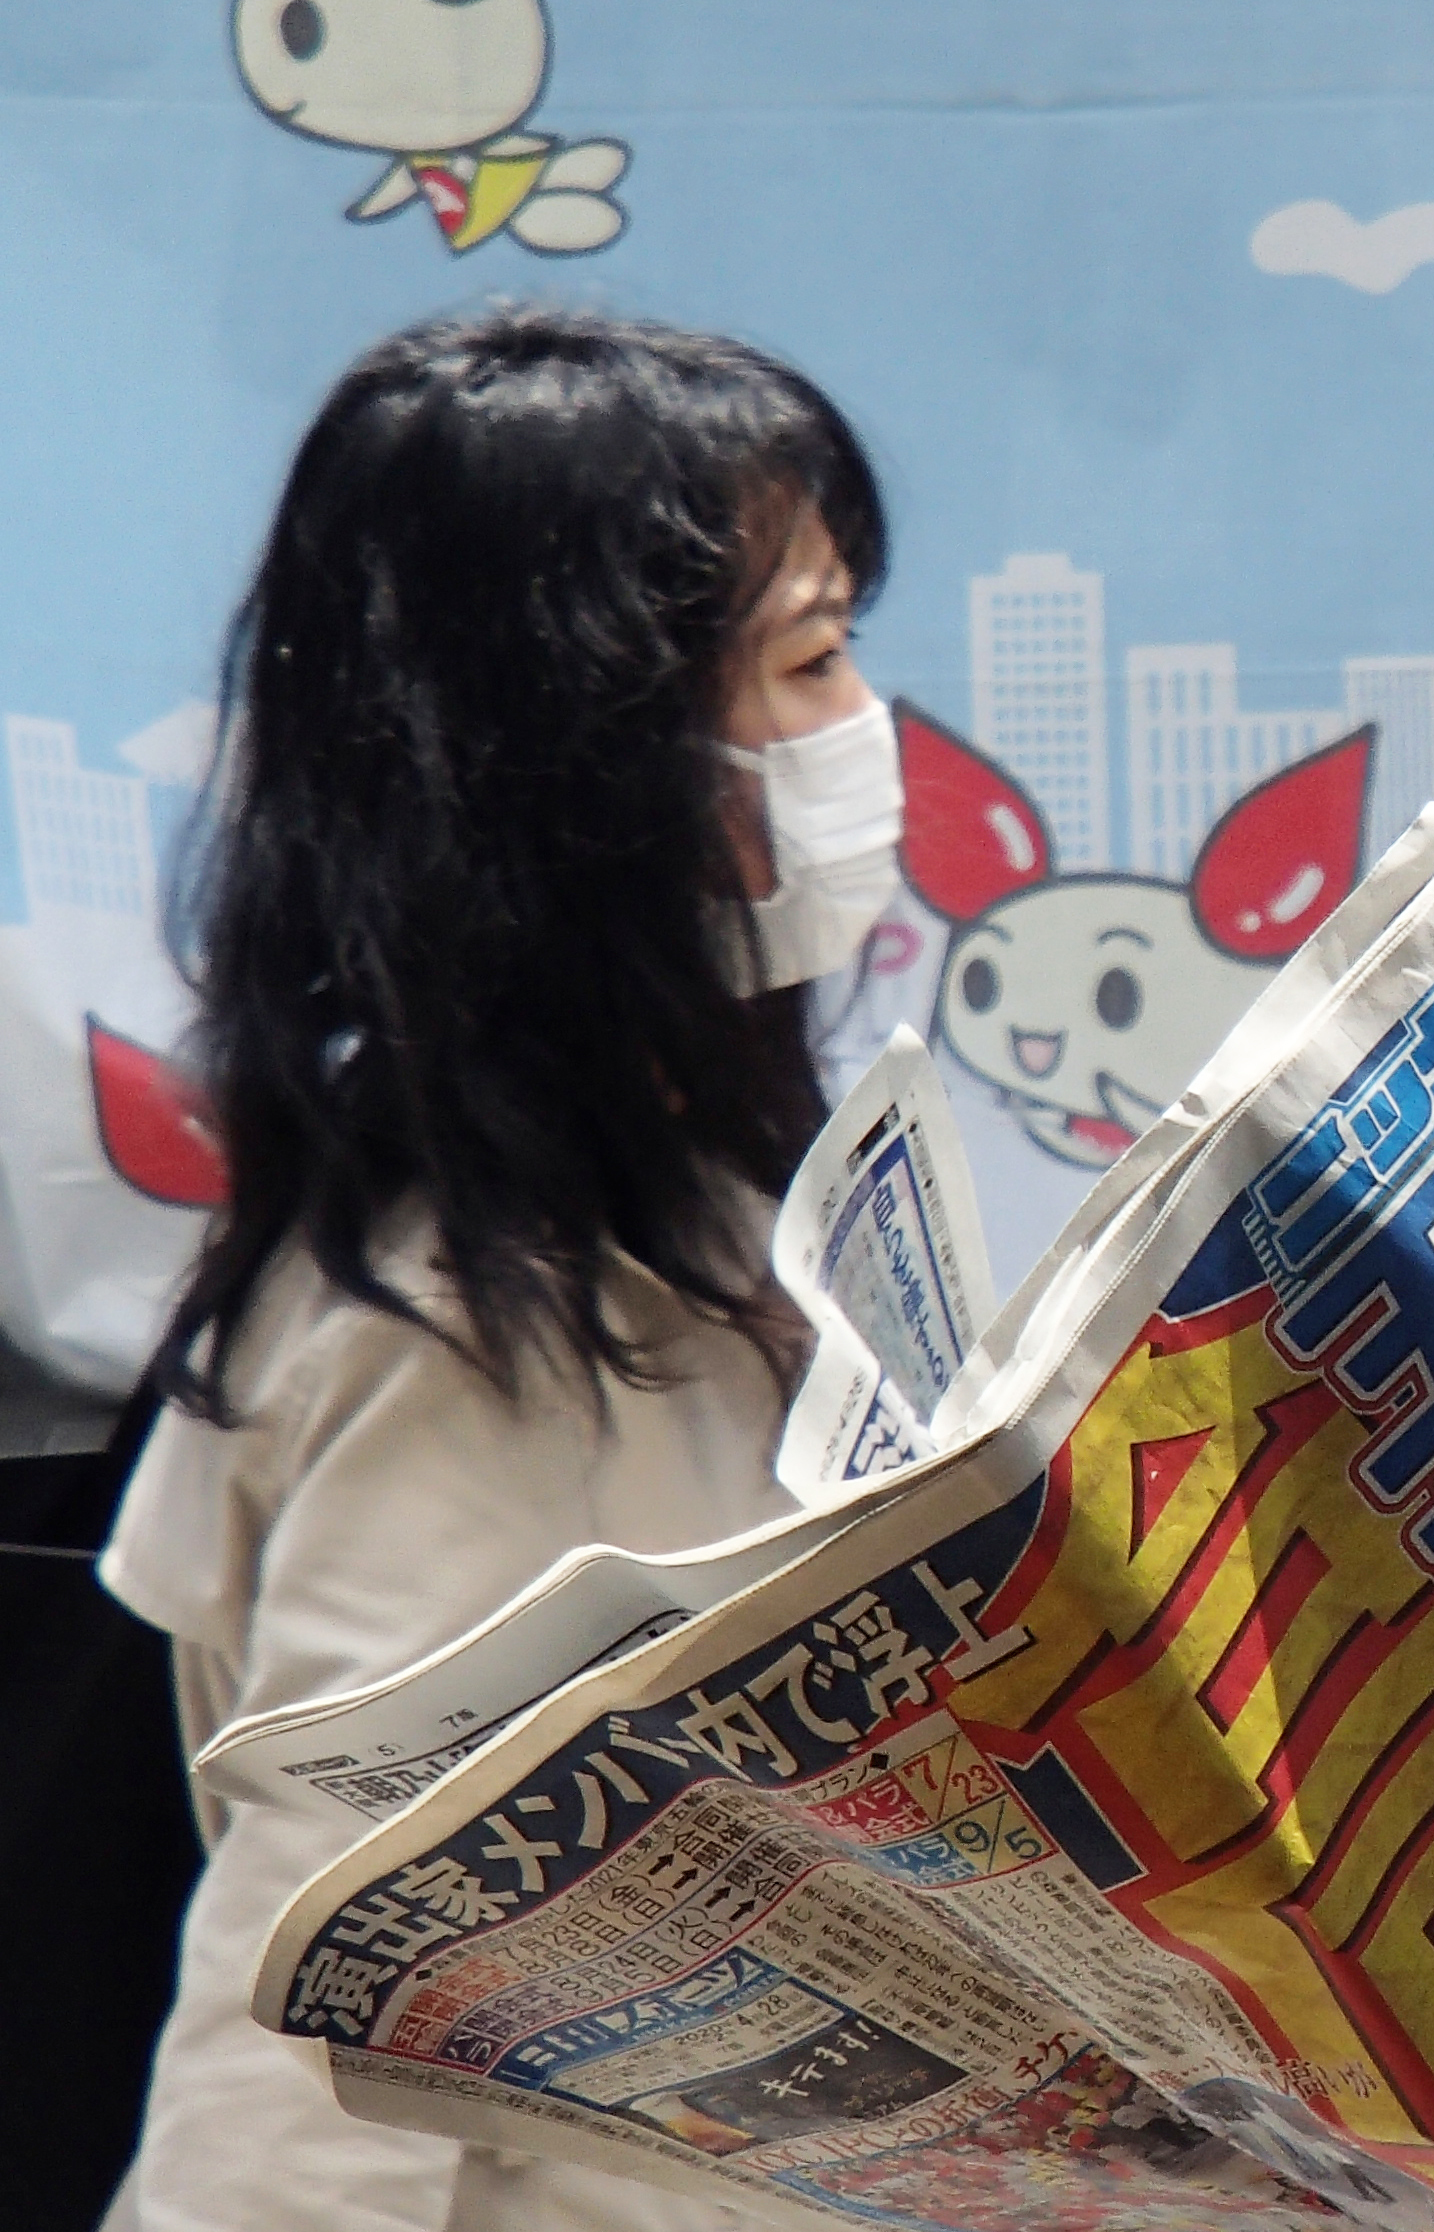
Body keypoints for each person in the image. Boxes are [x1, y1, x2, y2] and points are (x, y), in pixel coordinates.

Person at [97, 306, 902, 2232]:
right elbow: (320, 2004)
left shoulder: (685, 1180)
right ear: (587, 755)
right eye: (804, 659)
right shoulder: (476, 1323)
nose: (857, 730)